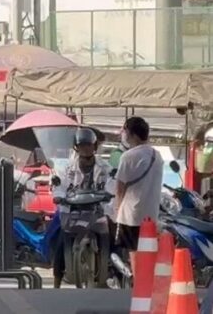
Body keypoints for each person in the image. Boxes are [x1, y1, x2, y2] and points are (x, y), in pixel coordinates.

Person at [51, 127, 114, 288]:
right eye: (82, 145)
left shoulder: (106, 168)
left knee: (113, 237)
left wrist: (110, 193)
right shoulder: (66, 169)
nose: (86, 148)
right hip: (72, 211)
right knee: (60, 241)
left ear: (95, 147)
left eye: (89, 145)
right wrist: (58, 196)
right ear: (76, 147)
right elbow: (59, 186)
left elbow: (112, 184)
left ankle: (114, 271)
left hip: (97, 210)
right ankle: (57, 279)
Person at [115, 117, 163, 252]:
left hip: (131, 216)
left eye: (125, 131)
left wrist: (118, 210)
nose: (123, 135)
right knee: (147, 253)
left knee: (133, 253)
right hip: (151, 216)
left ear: (133, 134)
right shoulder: (157, 155)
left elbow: (120, 188)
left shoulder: (128, 156)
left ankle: (135, 273)